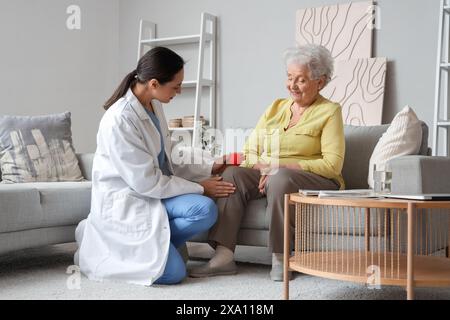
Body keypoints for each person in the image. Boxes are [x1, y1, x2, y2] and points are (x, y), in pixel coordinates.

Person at [74, 47, 236, 286]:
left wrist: (210, 164)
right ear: (153, 84)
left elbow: (169, 153)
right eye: (175, 86)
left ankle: (161, 243)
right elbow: (147, 182)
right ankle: (96, 246)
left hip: (154, 195)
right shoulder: (119, 120)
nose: (179, 91)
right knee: (173, 274)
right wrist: (201, 186)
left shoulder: (153, 104)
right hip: (130, 200)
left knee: (205, 210)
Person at [190, 44, 345, 281]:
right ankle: (224, 255)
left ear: (320, 82)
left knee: (280, 177)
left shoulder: (330, 111)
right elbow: (250, 150)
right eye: (289, 77)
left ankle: (281, 257)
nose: (292, 85)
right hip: (272, 173)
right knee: (233, 173)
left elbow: (332, 165)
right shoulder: (276, 108)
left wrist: (281, 167)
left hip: (314, 179)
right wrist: (266, 167)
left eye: (301, 80)